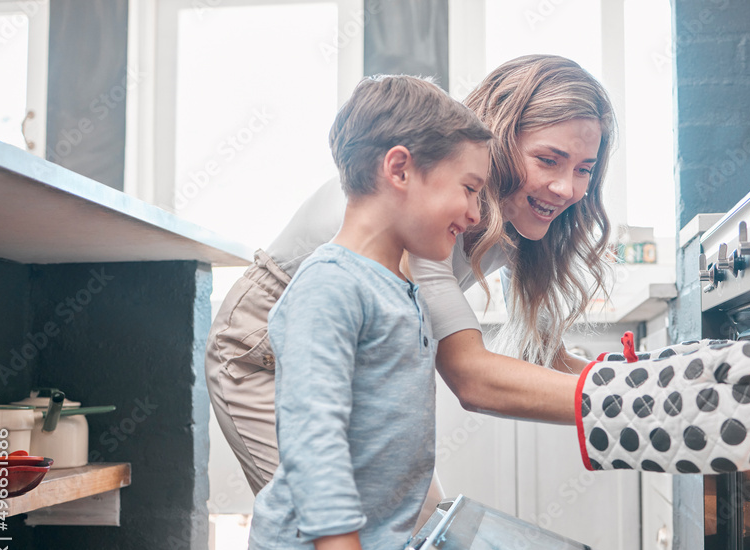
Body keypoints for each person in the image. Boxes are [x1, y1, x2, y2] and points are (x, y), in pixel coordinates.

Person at [206, 55, 615, 503]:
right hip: (265, 350)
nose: (568, 189)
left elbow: (546, 361)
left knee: (422, 536)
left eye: (584, 169)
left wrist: (640, 381)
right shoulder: (424, 196)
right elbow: (472, 379)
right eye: (548, 159)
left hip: (363, 355)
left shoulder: (512, 212)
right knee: (336, 532)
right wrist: (638, 402)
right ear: (499, 138)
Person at [243, 74, 492, 550]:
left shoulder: (398, 284)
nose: (477, 214)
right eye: (470, 189)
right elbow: (315, 447)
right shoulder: (330, 286)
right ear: (400, 169)